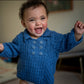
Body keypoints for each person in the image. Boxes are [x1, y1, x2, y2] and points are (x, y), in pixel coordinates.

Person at [0, 0, 84, 84]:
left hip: (45, 80)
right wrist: (2, 48)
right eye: (32, 20)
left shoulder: (53, 37)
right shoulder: (21, 38)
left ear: (47, 18)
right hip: (25, 80)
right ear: (24, 23)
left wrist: (77, 34)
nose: (38, 23)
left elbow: (66, 41)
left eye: (42, 18)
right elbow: (11, 48)